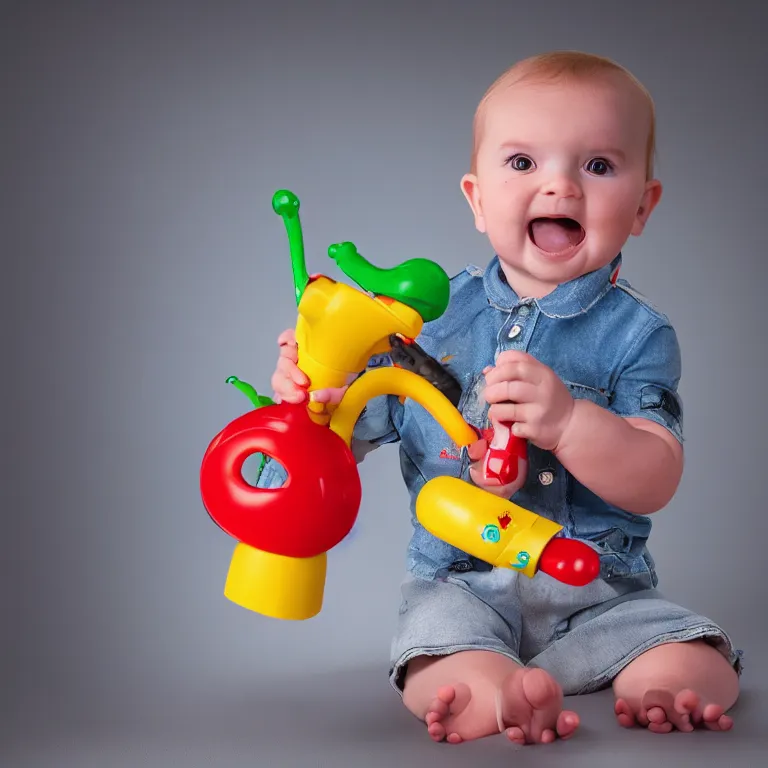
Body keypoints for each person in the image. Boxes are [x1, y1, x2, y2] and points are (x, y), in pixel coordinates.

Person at [262, 50, 742, 745]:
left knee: (696, 652)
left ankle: (658, 690)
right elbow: (344, 439)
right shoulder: (427, 321)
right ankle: (501, 697)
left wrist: (572, 421)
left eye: (598, 166)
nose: (560, 188)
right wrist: (310, 398)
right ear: (477, 197)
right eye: (523, 164)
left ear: (642, 205)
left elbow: (655, 476)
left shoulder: (639, 334)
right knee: (437, 661)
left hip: (601, 597)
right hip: (460, 590)